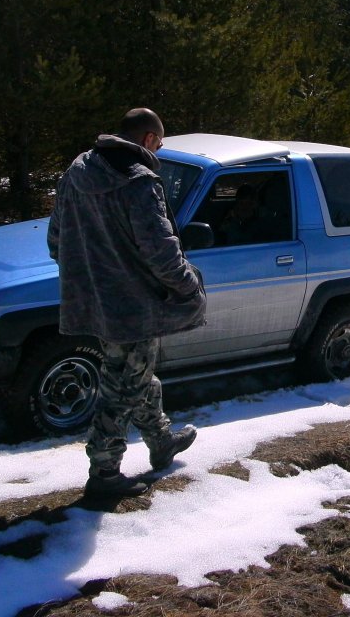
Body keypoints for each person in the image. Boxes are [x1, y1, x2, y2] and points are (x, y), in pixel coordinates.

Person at [48, 108, 206, 498]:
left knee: (131, 373)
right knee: (121, 387)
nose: (161, 149)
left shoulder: (78, 171)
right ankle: (104, 474)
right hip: (134, 306)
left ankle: (161, 440)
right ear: (150, 140)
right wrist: (189, 286)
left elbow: (56, 239)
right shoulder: (140, 182)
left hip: (94, 301)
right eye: (161, 142)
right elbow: (161, 252)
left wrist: (88, 277)